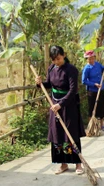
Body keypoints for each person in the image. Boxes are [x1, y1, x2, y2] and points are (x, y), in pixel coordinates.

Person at [35, 46, 86, 175]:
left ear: (64, 55)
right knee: (57, 134)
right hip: (54, 104)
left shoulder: (71, 70)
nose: (56, 62)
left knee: (70, 133)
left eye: (58, 58)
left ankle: (78, 164)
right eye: (53, 60)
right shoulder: (51, 68)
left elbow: (73, 90)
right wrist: (39, 83)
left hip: (69, 105)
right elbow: (49, 85)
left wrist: (61, 104)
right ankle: (63, 164)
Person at [82, 50, 104, 131]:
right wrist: (94, 84)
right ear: (86, 59)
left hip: (100, 89)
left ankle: (101, 125)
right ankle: (91, 126)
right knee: (92, 108)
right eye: (89, 59)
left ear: (94, 57)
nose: (91, 60)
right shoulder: (86, 68)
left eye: (92, 58)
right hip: (92, 91)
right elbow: (84, 81)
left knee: (101, 107)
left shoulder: (97, 64)